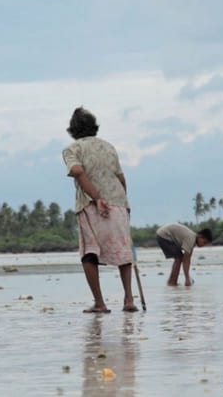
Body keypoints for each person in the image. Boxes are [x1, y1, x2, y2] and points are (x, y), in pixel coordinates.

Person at [62, 106, 137, 313]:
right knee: (124, 252)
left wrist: (97, 199)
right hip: (119, 203)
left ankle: (100, 303)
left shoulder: (73, 149)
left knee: (89, 253)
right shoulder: (109, 147)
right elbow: (121, 177)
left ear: (73, 130)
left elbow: (77, 170)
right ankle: (129, 300)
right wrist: (123, 202)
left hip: (90, 205)